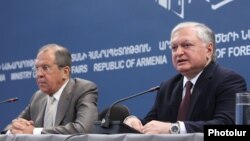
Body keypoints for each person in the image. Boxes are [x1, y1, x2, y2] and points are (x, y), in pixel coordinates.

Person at [123, 21, 247, 134]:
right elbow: (151, 123)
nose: (178, 53)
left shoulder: (228, 81)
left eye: (186, 45)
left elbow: (227, 128)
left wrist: (174, 128)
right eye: (174, 48)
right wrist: (133, 121)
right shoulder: (168, 86)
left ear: (209, 50)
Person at [2, 43, 98, 134]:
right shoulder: (38, 97)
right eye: (37, 68)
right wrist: (15, 129)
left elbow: (83, 129)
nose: (39, 74)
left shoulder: (83, 90)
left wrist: (34, 131)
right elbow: (11, 127)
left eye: (45, 68)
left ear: (65, 72)